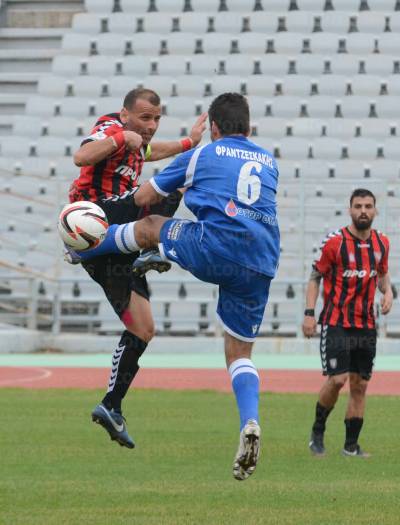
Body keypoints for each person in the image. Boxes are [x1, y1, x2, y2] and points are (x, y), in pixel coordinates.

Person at [75, 92, 280, 480]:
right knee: (239, 353)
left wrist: (185, 161)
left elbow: (145, 196)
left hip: (214, 247)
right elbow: (99, 154)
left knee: (151, 227)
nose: (151, 126)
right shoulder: (269, 162)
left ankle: (90, 244)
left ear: (214, 128)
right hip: (262, 262)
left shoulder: (204, 155)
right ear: (249, 128)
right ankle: (250, 422)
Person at [68, 87, 207, 448]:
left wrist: (187, 142)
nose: (152, 125)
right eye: (145, 118)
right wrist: (118, 137)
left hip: (111, 252)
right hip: (97, 217)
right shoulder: (111, 126)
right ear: (125, 113)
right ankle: (147, 246)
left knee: (143, 328)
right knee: (167, 187)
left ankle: (111, 406)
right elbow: (82, 156)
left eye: (156, 119)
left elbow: (148, 151)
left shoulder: (137, 143)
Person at [302, 189, 392, 458]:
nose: (363, 210)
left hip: (366, 324)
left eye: (368, 206)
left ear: (375, 210)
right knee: (338, 379)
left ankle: (351, 447)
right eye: (358, 206)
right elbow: (315, 277)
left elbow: (383, 275)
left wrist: (387, 293)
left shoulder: (382, 244)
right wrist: (309, 313)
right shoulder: (335, 243)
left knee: (360, 385)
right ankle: (318, 431)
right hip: (337, 321)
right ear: (350, 209)